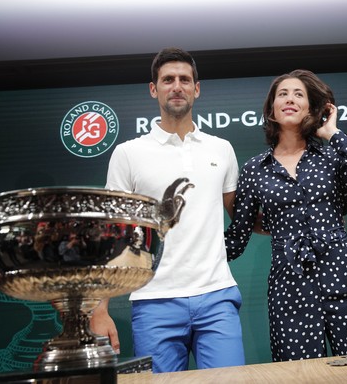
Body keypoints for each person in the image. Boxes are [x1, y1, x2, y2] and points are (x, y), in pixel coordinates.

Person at [90, 47, 245, 372]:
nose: (177, 86)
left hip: (217, 295)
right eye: (168, 79)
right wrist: (99, 309)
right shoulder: (128, 154)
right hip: (154, 300)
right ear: (154, 89)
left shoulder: (222, 149)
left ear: (196, 89)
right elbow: (111, 235)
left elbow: (244, 218)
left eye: (184, 79)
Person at [225, 69, 347, 362]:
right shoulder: (254, 169)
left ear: (311, 109)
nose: (290, 99)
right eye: (283, 94)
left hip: (345, 279)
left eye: (298, 94)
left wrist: (333, 133)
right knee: (299, 377)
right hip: (289, 290)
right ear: (271, 111)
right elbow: (237, 238)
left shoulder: (332, 155)